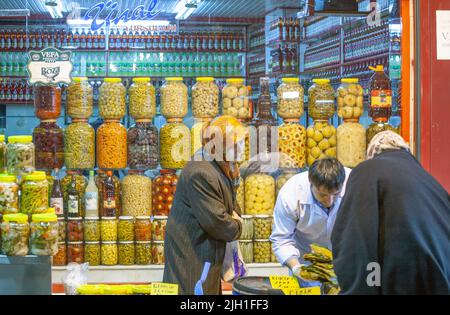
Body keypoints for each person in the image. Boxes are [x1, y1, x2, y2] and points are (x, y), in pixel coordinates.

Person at [331, 131, 450, 294]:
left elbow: (354, 236)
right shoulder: (428, 180)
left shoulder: (367, 170)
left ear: (371, 153)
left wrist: (357, 288)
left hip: (400, 282)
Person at [163, 115, 247, 295]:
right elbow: (220, 224)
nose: (242, 148)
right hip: (193, 258)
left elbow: (232, 208)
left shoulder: (219, 164)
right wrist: (239, 225)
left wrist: (234, 175)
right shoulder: (201, 172)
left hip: (206, 256)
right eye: (236, 144)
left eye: (242, 143)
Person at [270, 158, 351, 283]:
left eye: (336, 194)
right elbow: (282, 239)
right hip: (306, 262)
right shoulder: (291, 194)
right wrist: (296, 268)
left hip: (345, 259)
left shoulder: (354, 184)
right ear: (310, 183)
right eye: (323, 194)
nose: (329, 201)